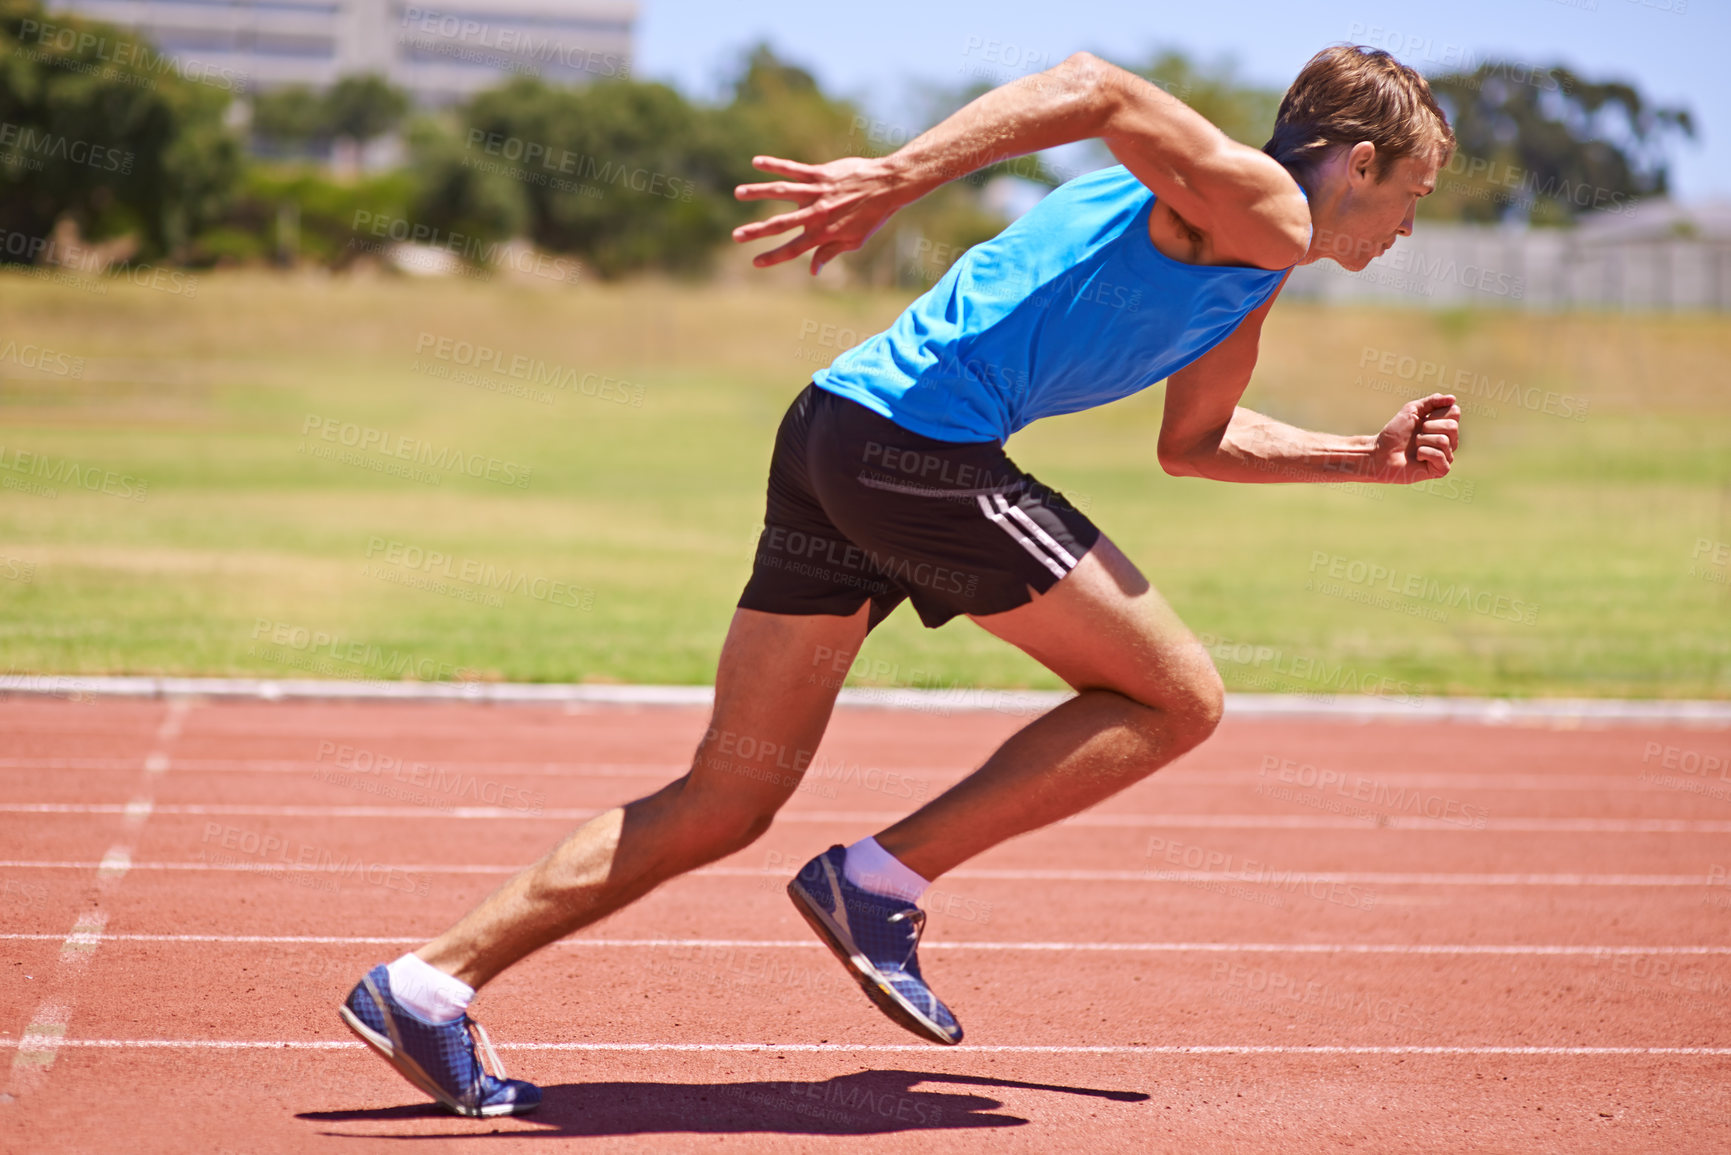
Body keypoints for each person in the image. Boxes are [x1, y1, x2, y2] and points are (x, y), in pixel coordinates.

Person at [339, 44, 1463, 1115]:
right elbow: (1094, 87)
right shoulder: (1263, 202)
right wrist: (895, 176)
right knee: (1176, 699)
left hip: (834, 432)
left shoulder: (1253, 260)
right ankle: (877, 884)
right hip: (920, 452)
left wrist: (1360, 458)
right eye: (1414, 193)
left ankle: (427, 985)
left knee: (730, 797)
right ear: (1358, 164)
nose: (1411, 227)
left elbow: (1198, 440)